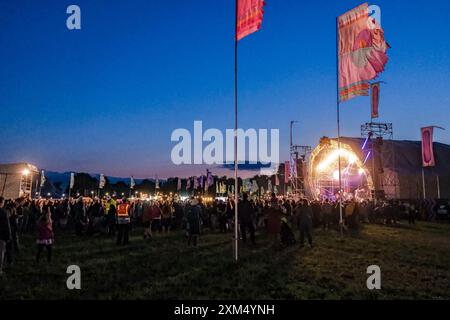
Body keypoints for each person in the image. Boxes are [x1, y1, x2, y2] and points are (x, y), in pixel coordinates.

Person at [0, 197, 11, 275]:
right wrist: (8, 236)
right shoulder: (3, 212)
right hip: (1, 236)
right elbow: (7, 225)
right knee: (0, 254)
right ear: (2, 202)